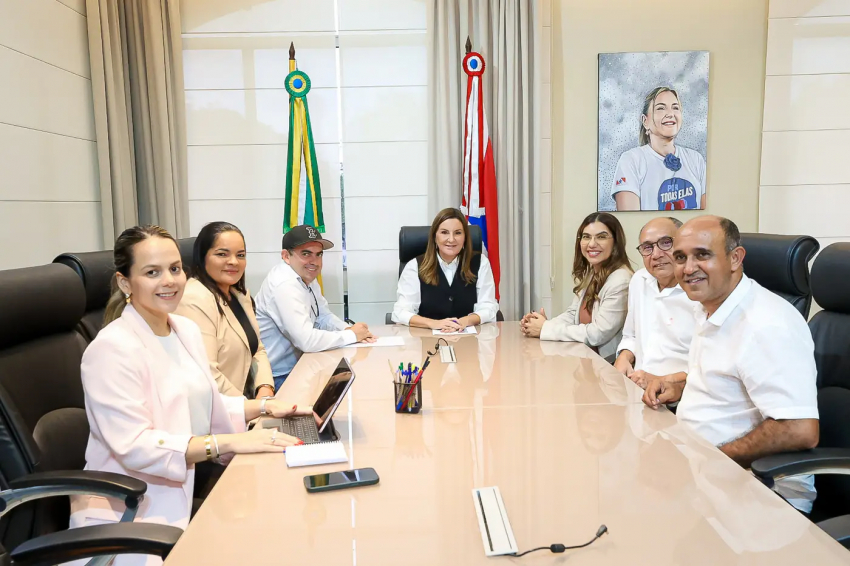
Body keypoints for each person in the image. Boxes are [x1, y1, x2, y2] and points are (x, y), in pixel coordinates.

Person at [70, 226, 311, 564]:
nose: (169, 280)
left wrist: (265, 407)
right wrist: (224, 443)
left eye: (174, 268)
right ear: (125, 282)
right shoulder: (111, 349)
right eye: (152, 272)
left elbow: (202, 403)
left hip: (188, 481)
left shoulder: (183, 329)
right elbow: (136, 445)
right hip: (133, 508)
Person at [643, 216, 819, 512]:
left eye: (702, 255)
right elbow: (733, 380)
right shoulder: (711, 306)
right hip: (707, 470)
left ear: (735, 258)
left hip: (761, 490)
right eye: (680, 257)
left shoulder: (766, 324)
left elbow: (799, 428)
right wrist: (681, 385)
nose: (687, 269)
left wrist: (711, 458)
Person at [255, 225, 374, 390]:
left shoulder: (305, 276)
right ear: (286, 256)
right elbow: (307, 341)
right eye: (306, 254)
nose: (315, 262)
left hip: (301, 366)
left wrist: (350, 329)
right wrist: (351, 336)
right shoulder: (285, 285)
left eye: (319, 255)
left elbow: (322, 316)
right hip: (277, 378)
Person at [175, 222, 275, 399]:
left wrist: (265, 388)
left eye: (241, 255)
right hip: (219, 412)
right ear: (202, 256)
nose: (234, 262)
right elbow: (207, 373)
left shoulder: (238, 295)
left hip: (248, 403)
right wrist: (253, 408)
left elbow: (257, 349)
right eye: (222, 254)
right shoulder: (194, 298)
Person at [521, 212, 632, 361]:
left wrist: (545, 329)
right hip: (586, 361)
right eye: (586, 237)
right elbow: (573, 314)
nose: (592, 243)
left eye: (601, 236)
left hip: (608, 367)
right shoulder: (594, 271)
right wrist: (540, 324)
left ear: (616, 243)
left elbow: (598, 333)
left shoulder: (621, 280)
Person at [613, 217, 697, 389]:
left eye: (666, 243)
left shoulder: (701, 291)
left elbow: (712, 367)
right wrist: (624, 356)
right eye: (647, 248)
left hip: (683, 396)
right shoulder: (639, 280)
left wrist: (665, 381)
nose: (656, 254)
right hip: (636, 388)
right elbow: (631, 335)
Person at [392, 207, 498, 333]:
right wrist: (433, 323)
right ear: (434, 236)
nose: (451, 239)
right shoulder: (414, 266)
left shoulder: (480, 262)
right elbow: (400, 312)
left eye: (458, 233)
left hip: (469, 340)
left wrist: (465, 321)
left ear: (465, 237)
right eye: (444, 232)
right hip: (426, 342)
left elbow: (488, 307)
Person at [611, 86, 707, 211]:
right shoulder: (631, 160)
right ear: (645, 121)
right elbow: (629, 219)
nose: (670, 114)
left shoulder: (696, 159)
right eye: (661, 108)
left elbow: (706, 218)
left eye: (675, 108)